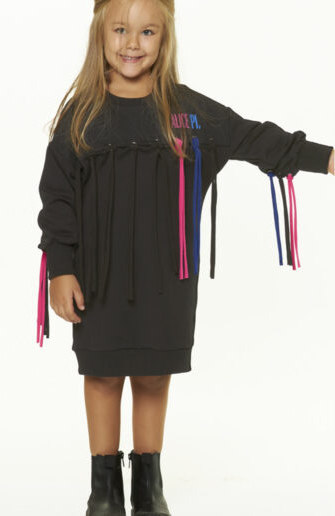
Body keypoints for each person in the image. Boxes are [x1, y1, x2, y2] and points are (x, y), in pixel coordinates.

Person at [35, 0, 335, 514]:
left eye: (147, 32)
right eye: (120, 30)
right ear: (99, 33)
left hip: (165, 278)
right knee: (102, 374)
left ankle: (148, 488)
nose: (132, 44)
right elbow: (57, 197)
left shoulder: (189, 114)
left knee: (154, 374)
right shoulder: (82, 115)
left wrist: (326, 159)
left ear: (165, 36)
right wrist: (61, 267)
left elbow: (254, 137)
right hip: (97, 277)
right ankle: (103, 491)